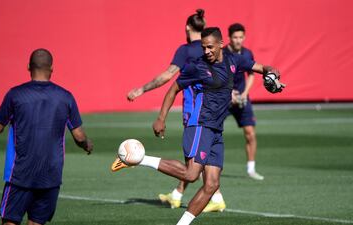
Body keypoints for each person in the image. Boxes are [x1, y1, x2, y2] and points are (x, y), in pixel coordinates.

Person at [114, 27, 283, 225]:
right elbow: (173, 89)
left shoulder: (235, 60)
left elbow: (265, 68)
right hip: (199, 124)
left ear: (221, 45)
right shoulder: (197, 66)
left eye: (210, 47)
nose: (207, 51)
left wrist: (273, 76)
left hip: (216, 130)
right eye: (204, 48)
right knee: (191, 174)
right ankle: (136, 159)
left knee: (211, 185)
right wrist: (161, 118)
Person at [119, 9, 226, 212]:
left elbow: (168, 77)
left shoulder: (187, 51)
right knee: (196, 163)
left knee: (191, 167)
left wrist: (142, 89)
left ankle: (212, 196)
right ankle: (181, 194)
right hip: (214, 114)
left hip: (194, 112)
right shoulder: (215, 51)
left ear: (187, 27)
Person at [0, 48, 93, 225]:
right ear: (51, 69)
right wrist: (86, 145)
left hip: (20, 173)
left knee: (10, 221)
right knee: (37, 221)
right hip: (50, 174)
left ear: (28, 67)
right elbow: (79, 136)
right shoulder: (65, 97)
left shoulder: (15, 94)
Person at [223, 23, 264, 180]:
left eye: (241, 37)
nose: (238, 40)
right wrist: (229, 93)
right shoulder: (222, 53)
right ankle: (200, 168)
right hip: (224, 98)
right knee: (211, 132)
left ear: (244, 37)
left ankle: (251, 169)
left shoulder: (247, 53)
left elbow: (252, 74)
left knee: (250, 134)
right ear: (229, 38)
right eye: (235, 37)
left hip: (242, 98)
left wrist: (245, 94)